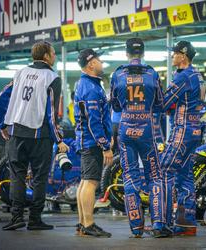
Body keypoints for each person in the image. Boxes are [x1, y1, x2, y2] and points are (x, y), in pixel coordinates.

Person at [0, 41, 68, 231]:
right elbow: (51, 114)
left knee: (17, 176)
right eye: (53, 53)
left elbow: (1, 98)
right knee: (39, 178)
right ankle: (35, 219)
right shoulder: (52, 77)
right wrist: (59, 139)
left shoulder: (19, 73)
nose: (55, 56)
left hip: (16, 133)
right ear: (46, 56)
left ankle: (17, 217)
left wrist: (3, 124)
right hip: (39, 135)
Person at [111, 37, 169, 238]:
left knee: (129, 176)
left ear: (126, 53)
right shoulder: (152, 73)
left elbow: (115, 105)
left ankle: (136, 229)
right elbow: (161, 103)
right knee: (155, 176)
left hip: (125, 129)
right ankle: (159, 225)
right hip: (147, 129)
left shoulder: (117, 74)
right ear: (143, 53)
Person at [161, 41, 205, 236]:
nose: (172, 57)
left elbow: (164, 103)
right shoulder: (197, 75)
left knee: (163, 170)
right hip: (195, 130)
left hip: (183, 130)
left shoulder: (183, 77)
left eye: (175, 53)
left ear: (183, 56)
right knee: (185, 175)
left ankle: (163, 221)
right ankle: (187, 224)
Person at [74, 48, 113, 237]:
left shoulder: (87, 83)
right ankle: (88, 224)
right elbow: (93, 121)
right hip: (91, 142)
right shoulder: (90, 87)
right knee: (90, 182)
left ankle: (83, 223)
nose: (102, 63)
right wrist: (105, 145)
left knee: (84, 182)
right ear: (91, 64)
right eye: (99, 60)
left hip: (86, 141)